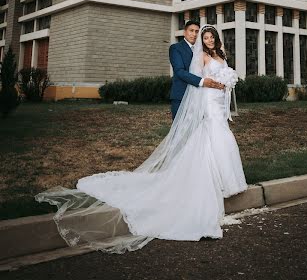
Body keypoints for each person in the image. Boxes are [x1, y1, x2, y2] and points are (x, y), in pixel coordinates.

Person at [35, 25, 247, 254]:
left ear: (215, 38)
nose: (204, 38)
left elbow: (221, 74)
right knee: (200, 137)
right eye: (199, 34)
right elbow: (185, 73)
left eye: (207, 35)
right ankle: (196, 175)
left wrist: (226, 82)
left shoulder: (219, 54)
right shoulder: (188, 52)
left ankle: (226, 181)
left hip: (217, 98)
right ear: (190, 34)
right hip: (203, 96)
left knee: (216, 137)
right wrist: (207, 83)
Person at [169, 20, 225, 120]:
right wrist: (202, 81)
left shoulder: (204, 50)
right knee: (181, 131)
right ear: (184, 32)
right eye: (191, 31)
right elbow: (179, 71)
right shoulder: (176, 48)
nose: (194, 34)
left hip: (201, 97)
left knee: (199, 130)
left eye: (196, 31)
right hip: (181, 95)